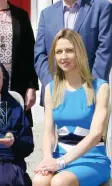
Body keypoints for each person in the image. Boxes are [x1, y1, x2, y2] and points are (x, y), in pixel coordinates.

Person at [32, 29, 111, 186]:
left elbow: (96, 134)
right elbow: (48, 133)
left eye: (69, 51)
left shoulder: (100, 88)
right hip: (59, 155)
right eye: (58, 52)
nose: (63, 57)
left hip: (92, 159)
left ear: (79, 52)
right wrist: (48, 158)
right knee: (39, 181)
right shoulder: (50, 89)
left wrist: (61, 162)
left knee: (60, 182)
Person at [34, 0, 112, 106]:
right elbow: (40, 54)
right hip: (56, 94)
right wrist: (51, 84)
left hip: (89, 93)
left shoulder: (101, 8)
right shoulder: (47, 14)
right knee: (52, 130)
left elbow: (105, 50)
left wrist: (91, 86)